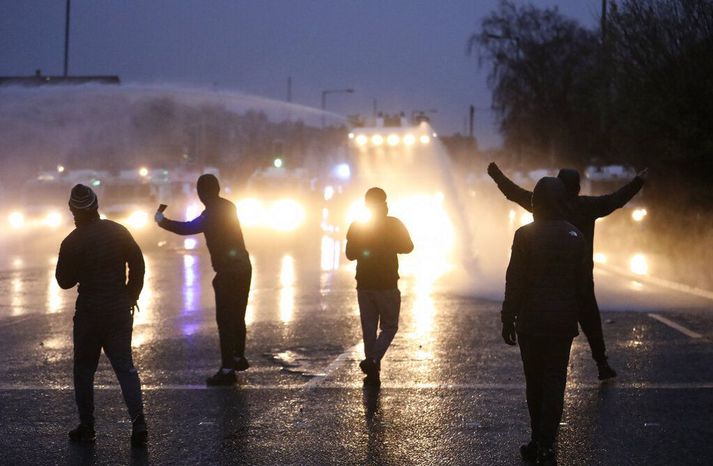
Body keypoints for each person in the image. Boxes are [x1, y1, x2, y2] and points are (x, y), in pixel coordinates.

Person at [488, 162, 647, 380]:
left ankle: (544, 367)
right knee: (591, 320)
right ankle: (601, 363)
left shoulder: (541, 206)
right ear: (578, 187)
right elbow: (616, 199)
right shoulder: (587, 206)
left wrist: (496, 174)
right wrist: (638, 181)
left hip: (543, 280)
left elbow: (514, 192)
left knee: (544, 322)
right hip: (579, 279)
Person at [501, 177, 587, 466]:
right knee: (555, 381)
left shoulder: (524, 235)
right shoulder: (575, 235)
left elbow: (515, 280)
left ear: (536, 203)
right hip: (562, 322)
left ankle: (537, 439)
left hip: (531, 320)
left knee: (534, 381)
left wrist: (507, 316)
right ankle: (548, 444)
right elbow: (582, 284)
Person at [55, 184, 147, 447]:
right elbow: (138, 262)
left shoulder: (72, 241)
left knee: (84, 370)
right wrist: (132, 294)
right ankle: (138, 421)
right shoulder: (118, 231)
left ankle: (87, 426)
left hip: (89, 314)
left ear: (73, 210)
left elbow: (64, 281)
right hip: (118, 309)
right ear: (96, 206)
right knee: (125, 367)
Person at [155, 174, 252, 386]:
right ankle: (237, 356)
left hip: (228, 271)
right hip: (244, 267)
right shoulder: (228, 206)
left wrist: (163, 221)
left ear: (201, 193)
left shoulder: (212, 213)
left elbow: (188, 228)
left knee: (225, 320)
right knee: (238, 314)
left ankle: (227, 370)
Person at [346, 187, 414, 385]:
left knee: (369, 329)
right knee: (390, 326)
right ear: (385, 203)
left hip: (364, 283)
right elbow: (408, 247)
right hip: (387, 284)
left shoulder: (357, 225)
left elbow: (350, 254)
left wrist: (365, 248)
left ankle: (373, 368)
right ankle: (374, 360)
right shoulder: (394, 224)